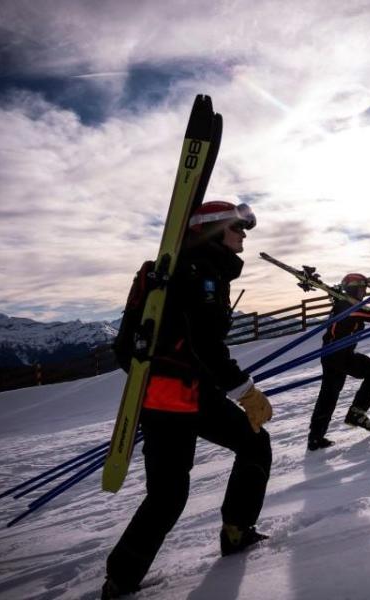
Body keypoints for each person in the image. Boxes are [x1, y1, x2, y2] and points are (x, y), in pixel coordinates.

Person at [102, 201, 273, 599]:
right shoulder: (201, 272)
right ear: (213, 230)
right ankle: (232, 532)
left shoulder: (181, 269)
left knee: (177, 488)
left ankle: (125, 576)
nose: (243, 235)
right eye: (237, 228)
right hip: (181, 397)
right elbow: (206, 345)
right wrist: (245, 392)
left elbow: (137, 346)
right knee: (244, 450)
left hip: (173, 394)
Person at [307, 273, 370, 451]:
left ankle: (315, 437)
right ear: (353, 288)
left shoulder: (346, 303)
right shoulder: (346, 305)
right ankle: (355, 414)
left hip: (333, 355)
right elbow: (361, 313)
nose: (364, 292)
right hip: (338, 354)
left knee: (329, 395)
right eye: (362, 289)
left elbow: (362, 312)